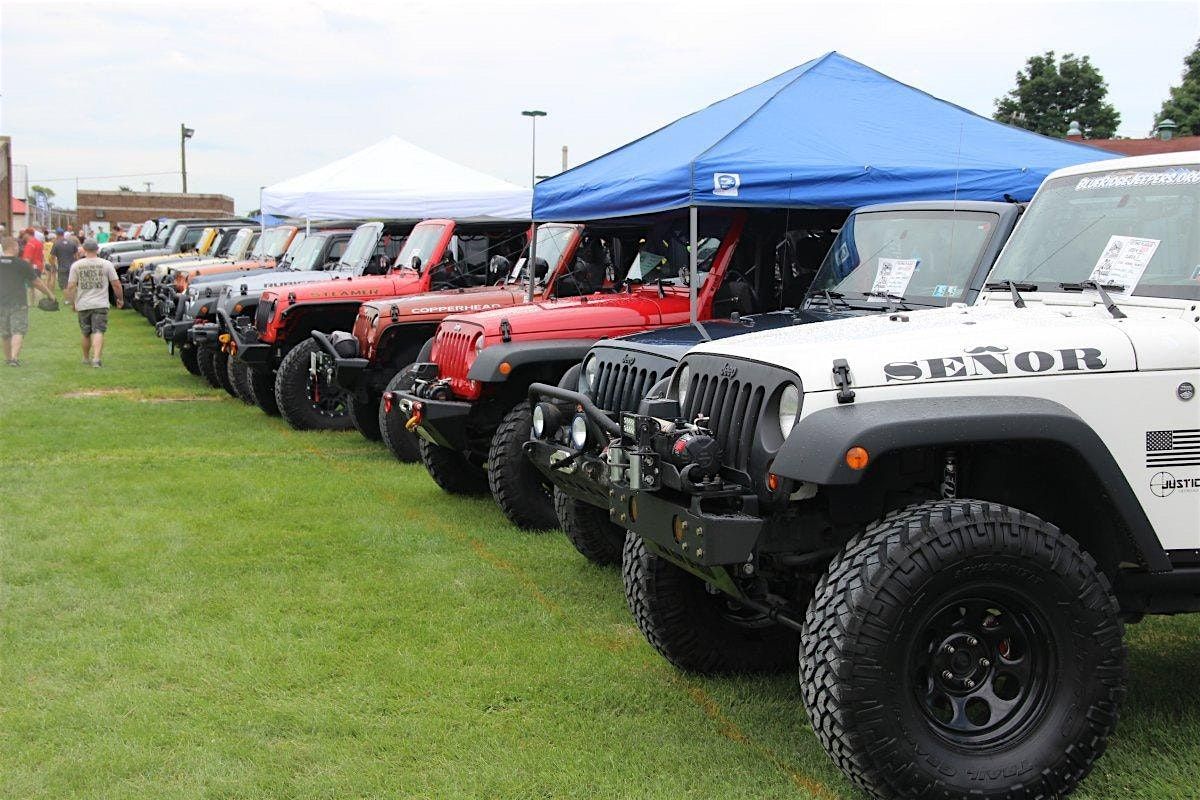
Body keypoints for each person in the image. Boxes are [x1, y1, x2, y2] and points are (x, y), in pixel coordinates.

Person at [65, 239, 122, 368]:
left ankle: (85, 358)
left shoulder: (76, 265)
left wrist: (73, 302)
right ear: (97, 250)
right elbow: (116, 284)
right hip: (100, 304)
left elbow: (71, 286)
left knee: (85, 332)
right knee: (98, 331)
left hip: (83, 304)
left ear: (84, 250)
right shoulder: (106, 264)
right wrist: (120, 299)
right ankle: (96, 359)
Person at [0, 236, 56, 366]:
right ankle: (14, 358)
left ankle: (8, 359)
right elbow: (36, 282)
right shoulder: (22, 264)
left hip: (1, 302)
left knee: (5, 332)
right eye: (17, 246)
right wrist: (50, 294)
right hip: (18, 302)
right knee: (18, 331)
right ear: (14, 247)